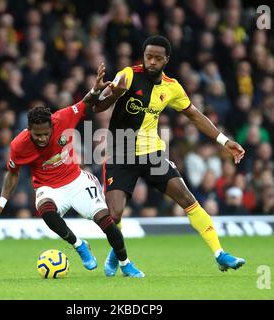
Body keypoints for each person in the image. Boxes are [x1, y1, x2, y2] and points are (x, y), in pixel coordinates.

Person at [93, 35, 246, 274]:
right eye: (148, 57)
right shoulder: (128, 75)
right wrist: (114, 93)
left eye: (157, 58)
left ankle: (220, 253)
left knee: (188, 199)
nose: (151, 62)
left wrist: (223, 141)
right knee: (115, 213)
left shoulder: (172, 87)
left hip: (153, 155)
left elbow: (194, 115)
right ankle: (119, 255)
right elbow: (97, 107)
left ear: (166, 60)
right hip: (119, 154)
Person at [0, 63, 144, 277]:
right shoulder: (18, 145)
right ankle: (79, 245)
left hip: (76, 181)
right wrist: (1, 205)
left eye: (45, 134)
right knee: (46, 211)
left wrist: (96, 89)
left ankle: (125, 263)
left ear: (52, 127)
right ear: (29, 130)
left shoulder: (63, 118)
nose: (42, 138)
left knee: (108, 223)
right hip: (48, 186)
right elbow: (12, 173)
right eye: (36, 135)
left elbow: (85, 103)